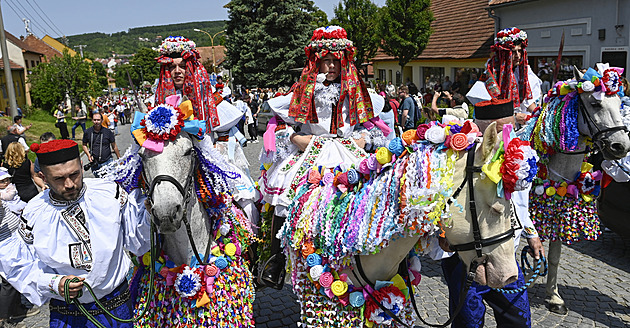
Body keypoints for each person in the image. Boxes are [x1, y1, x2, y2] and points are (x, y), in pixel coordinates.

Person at [258, 26, 388, 289]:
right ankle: (276, 260)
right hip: (312, 150)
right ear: (316, 61)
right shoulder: (303, 90)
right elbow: (282, 124)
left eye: (334, 61)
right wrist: (295, 138)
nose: (330, 66)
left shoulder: (357, 91)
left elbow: (371, 123)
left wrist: (363, 137)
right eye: (325, 60)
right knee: (285, 193)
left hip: (347, 149)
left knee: (372, 191)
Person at [435, 27, 544, 327]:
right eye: (502, 128)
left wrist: (532, 233)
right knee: (468, 322)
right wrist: (442, 232)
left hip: (504, 247)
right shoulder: (461, 153)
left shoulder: (515, 153)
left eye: (511, 127)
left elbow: (517, 199)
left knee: (517, 318)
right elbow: (441, 197)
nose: (508, 134)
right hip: (466, 254)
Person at [0, 139, 151, 328]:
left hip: (117, 307)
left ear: (81, 165)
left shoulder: (109, 192)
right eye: (59, 179)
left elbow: (137, 240)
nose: (70, 184)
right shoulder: (34, 212)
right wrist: (53, 283)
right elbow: (19, 265)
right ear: (43, 177)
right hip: (67, 315)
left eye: (75, 174)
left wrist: (149, 215)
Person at [82, 113, 120, 178]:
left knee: (111, 181)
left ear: (102, 120)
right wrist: (88, 155)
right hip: (95, 163)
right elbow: (84, 145)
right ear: (92, 120)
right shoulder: (88, 132)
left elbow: (114, 146)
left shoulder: (108, 132)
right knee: (100, 183)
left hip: (107, 161)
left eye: (98, 120)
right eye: (95, 120)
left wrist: (119, 159)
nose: (96, 122)